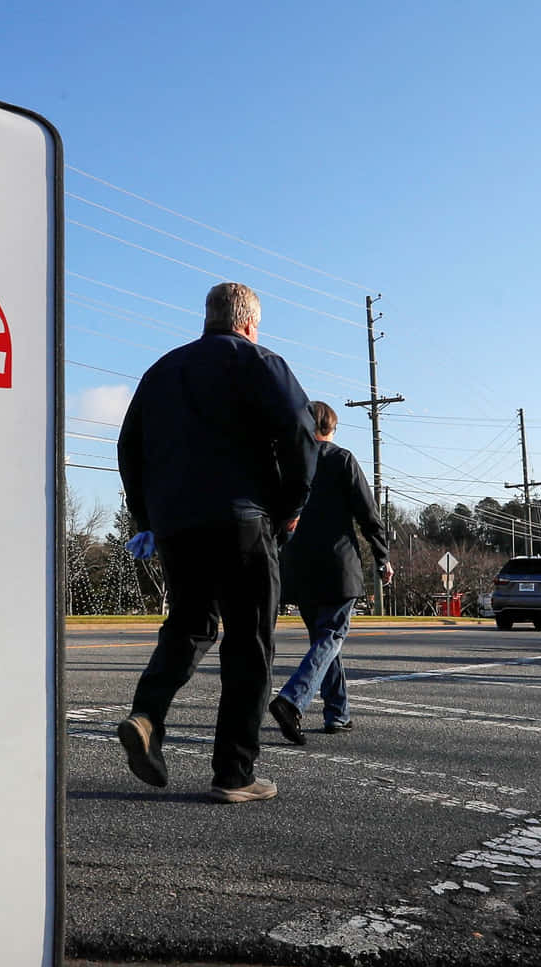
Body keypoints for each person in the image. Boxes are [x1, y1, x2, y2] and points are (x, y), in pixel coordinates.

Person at [114, 282, 317, 803]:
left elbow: (129, 446)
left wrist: (147, 518)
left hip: (178, 527)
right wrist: (291, 506)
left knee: (189, 625)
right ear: (248, 323)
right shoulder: (260, 362)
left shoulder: (161, 371)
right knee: (249, 644)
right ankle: (235, 773)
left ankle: (147, 715)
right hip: (244, 523)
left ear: (207, 317)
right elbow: (301, 428)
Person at [266, 402, 389, 743]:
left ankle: (338, 713)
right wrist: (383, 558)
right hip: (338, 567)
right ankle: (292, 700)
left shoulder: (288, 463)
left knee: (323, 641)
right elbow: (368, 514)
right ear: (332, 427)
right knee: (331, 637)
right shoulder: (342, 459)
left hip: (299, 569)